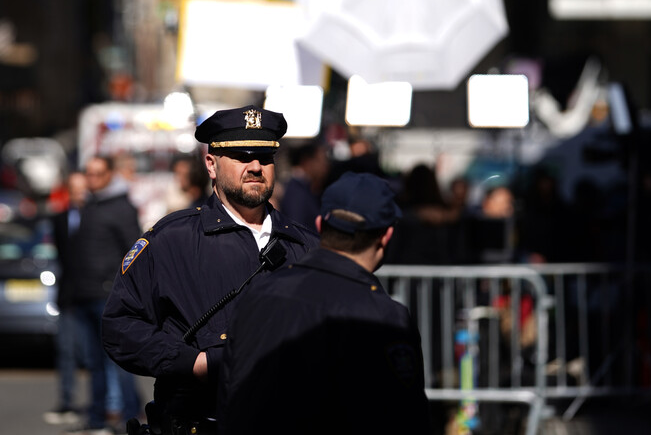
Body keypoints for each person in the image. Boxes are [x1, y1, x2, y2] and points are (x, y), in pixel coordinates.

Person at [101, 106, 319, 434]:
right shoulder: (172, 240)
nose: (256, 167)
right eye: (242, 156)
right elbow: (120, 327)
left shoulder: (306, 246)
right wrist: (194, 364)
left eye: (265, 157)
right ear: (211, 164)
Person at [217, 172, 431, 435]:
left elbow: (229, 394)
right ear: (386, 236)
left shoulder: (259, 293)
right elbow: (405, 418)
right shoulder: (386, 316)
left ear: (319, 225)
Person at [63, 156, 143, 435]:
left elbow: (135, 252)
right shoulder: (88, 205)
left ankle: (129, 416)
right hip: (84, 295)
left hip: (107, 295)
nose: (92, 178)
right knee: (93, 362)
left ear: (110, 174)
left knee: (118, 361)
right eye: (89, 173)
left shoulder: (121, 206)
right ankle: (98, 417)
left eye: (98, 173)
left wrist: (120, 287)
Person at [44, 172, 89, 426]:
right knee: (66, 352)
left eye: (82, 188)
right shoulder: (59, 218)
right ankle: (66, 402)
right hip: (69, 295)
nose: (78, 193)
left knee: (95, 355)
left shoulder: (97, 216)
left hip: (94, 294)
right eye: (73, 188)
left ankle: (103, 406)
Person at [278, 141, 329, 230]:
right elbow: (297, 228)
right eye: (321, 160)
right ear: (307, 161)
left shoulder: (304, 188)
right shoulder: (296, 192)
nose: (325, 166)